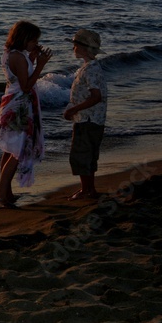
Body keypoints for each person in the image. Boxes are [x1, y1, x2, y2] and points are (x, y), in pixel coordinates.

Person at [0, 21, 52, 208]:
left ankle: (6, 193)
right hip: (19, 106)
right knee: (17, 151)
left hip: (14, 102)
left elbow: (20, 77)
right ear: (24, 38)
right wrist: (41, 65)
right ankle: (1, 198)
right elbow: (25, 87)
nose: (36, 43)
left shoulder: (13, 54)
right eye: (33, 40)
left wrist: (32, 60)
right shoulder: (17, 56)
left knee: (10, 150)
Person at [63, 29, 107, 200]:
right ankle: (89, 189)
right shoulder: (93, 67)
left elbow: (96, 96)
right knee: (89, 155)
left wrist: (73, 109)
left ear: (83, 48)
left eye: (75, 45)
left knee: (82, 155)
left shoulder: (89, 69)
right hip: (94, 119)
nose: (73, 48)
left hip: (87, 119)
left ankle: (87, 190)